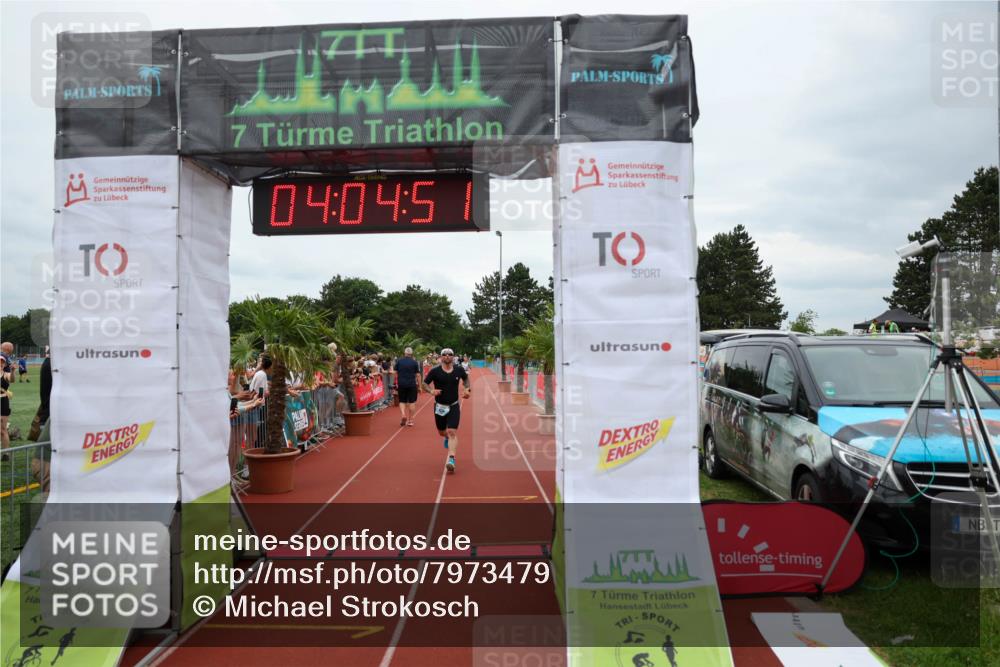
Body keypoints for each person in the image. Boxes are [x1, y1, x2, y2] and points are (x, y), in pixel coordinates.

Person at [422, 347, 470, 473]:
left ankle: (451, 459)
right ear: (441, 357)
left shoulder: (459, 370)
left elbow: (466, 379)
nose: (447, 356)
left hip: (454, 405)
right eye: (444, 354)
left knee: (452, 432)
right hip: (440, 406)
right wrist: (431, 391)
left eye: (450, 354)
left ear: (453, 356)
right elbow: (424, 384)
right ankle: (446, 438)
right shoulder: (435, 371)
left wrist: (467, 389)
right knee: (442, 432)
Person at [394, 347, 421, 426]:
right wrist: (420, 386)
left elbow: (395, 373)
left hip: (401, 384)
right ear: (411, 353)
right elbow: (418, 375)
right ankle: (411, 420)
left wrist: (396, 382)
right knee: (412, 402)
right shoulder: (414, 362)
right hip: (412, 384)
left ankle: (403, 414)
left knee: (402, 401)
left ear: (405, 353)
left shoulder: (399, 361)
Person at [0, 342, 13, 461]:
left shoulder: (6, 371)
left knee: (2, 430)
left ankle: (6, 454)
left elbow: (11, 379)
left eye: (2, 362)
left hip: (3, 400)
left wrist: (13, 371)